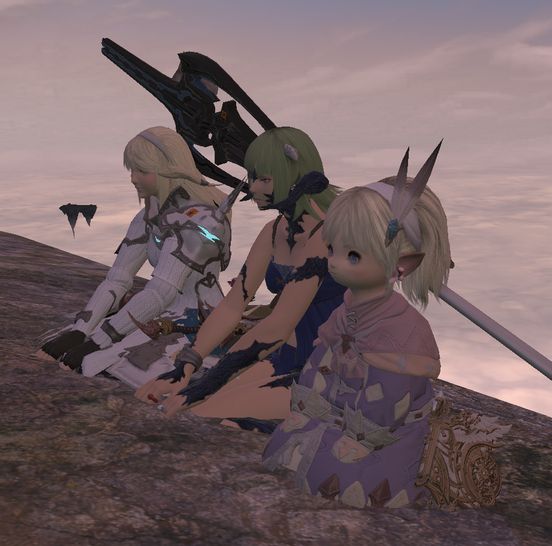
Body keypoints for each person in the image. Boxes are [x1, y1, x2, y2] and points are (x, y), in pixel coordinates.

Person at [262, 145, 452, 508]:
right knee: (288, 440)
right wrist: (311, 404)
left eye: (352, 255)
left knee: (337, 471)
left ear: (402, 265)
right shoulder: (346, 308)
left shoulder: (404, 329)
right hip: (342, 411)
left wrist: (361, 434)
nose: (334, 262)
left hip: (385, 430)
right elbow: (323, 359)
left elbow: (392, 395)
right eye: (332, 249)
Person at [136, 127, 346, 422]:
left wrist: (203, 386)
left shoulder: (323, 237)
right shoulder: (273, 231)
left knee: (206, 409)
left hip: (331, 365)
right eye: (252, 178)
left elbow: (279, 326)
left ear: (298, 176)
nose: (253, 188)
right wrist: (186, 367)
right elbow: (233, 305)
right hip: (287, 354)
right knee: (202, 398)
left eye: (264, 180)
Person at [40, 126, 235, 387]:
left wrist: (100, 340)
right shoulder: (147, 217)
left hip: (196, 318)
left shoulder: (201, 221)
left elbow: (161, 291)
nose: (133, 178)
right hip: (154, 312)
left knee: (97, 362)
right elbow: (118, 279)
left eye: (142, 170)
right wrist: (81, 331)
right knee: (67, 343)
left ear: (169, 170)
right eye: (132, 169)